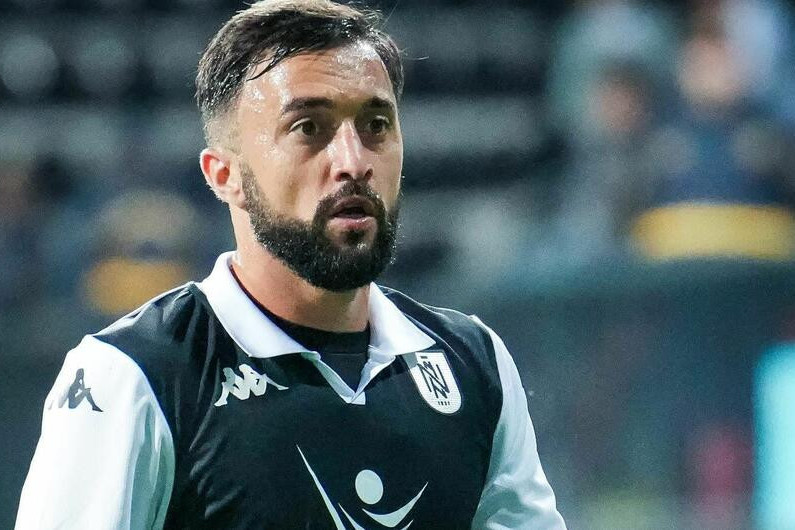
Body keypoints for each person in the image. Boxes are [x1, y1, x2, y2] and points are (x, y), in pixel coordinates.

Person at [16, 1, 565, 528]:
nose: (353, 161)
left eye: (376, 125)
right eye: (309, 128)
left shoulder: (476, 365)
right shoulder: (133, 377)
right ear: (224, 175)